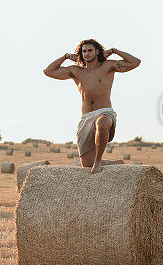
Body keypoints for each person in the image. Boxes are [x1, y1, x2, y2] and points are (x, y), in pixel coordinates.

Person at [43, 39, 141, 174]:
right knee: (86, 164)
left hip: (105, 112)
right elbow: (48, 71)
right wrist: (65, 56)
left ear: (97, 51)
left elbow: (136, 62)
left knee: (102, 123)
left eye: (90, 50)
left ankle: (98, 162)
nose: (87, 54)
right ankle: (115, 163)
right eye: (84, 51)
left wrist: (114, 51)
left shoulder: (108, 66)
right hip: (86, 117)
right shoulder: (75, 71)